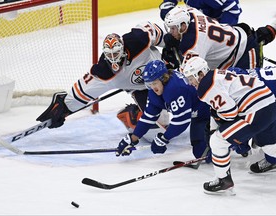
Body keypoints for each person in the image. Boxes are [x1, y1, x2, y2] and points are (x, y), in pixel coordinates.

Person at [36, 21, 167, 133]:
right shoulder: (104, 71)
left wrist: (171, 46)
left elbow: (157, 33)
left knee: (182, 97)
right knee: (161, 124)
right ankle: (131, 114)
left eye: (116, 53)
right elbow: (82, 91)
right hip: (141, 89)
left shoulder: (138, 40)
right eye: (110, 55)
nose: (113, 59)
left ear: (122, 49)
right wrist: (64, 107)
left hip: (165, 72)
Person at [182, 56, 276, 195]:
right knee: (266, 142)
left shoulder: (205, 86)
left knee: (218, 141)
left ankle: (223, 180)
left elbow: (230, 113)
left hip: (255, 111)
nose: (190, 83)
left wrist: (224, 132)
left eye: (191, 78)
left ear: (200, 74)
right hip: (270, 104)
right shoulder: (216, 74)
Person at [115, 60, 211, 162]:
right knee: (200, 152)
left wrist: (164, 138)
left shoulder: (175, 88)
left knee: (217, 145)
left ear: (163, 78)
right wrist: (133, 138)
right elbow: (148, 117)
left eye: (154, 83)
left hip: (211, 109)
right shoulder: (155, 91)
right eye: (149, 84)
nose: (153, 87)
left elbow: (181, 121)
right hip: (197, 114)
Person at [162, 5, 276, 71]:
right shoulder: (191, 12)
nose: (170, 32)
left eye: (173, 28)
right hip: (238, 36)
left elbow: (190, 75)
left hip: (244, 53)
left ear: (183, 26)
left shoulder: (193, 44)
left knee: (254, 92)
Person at [159, 0, 242, 25]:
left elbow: (233, 9)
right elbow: (167, 5)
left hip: (216, 29)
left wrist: (224, 30)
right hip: (200, 26)